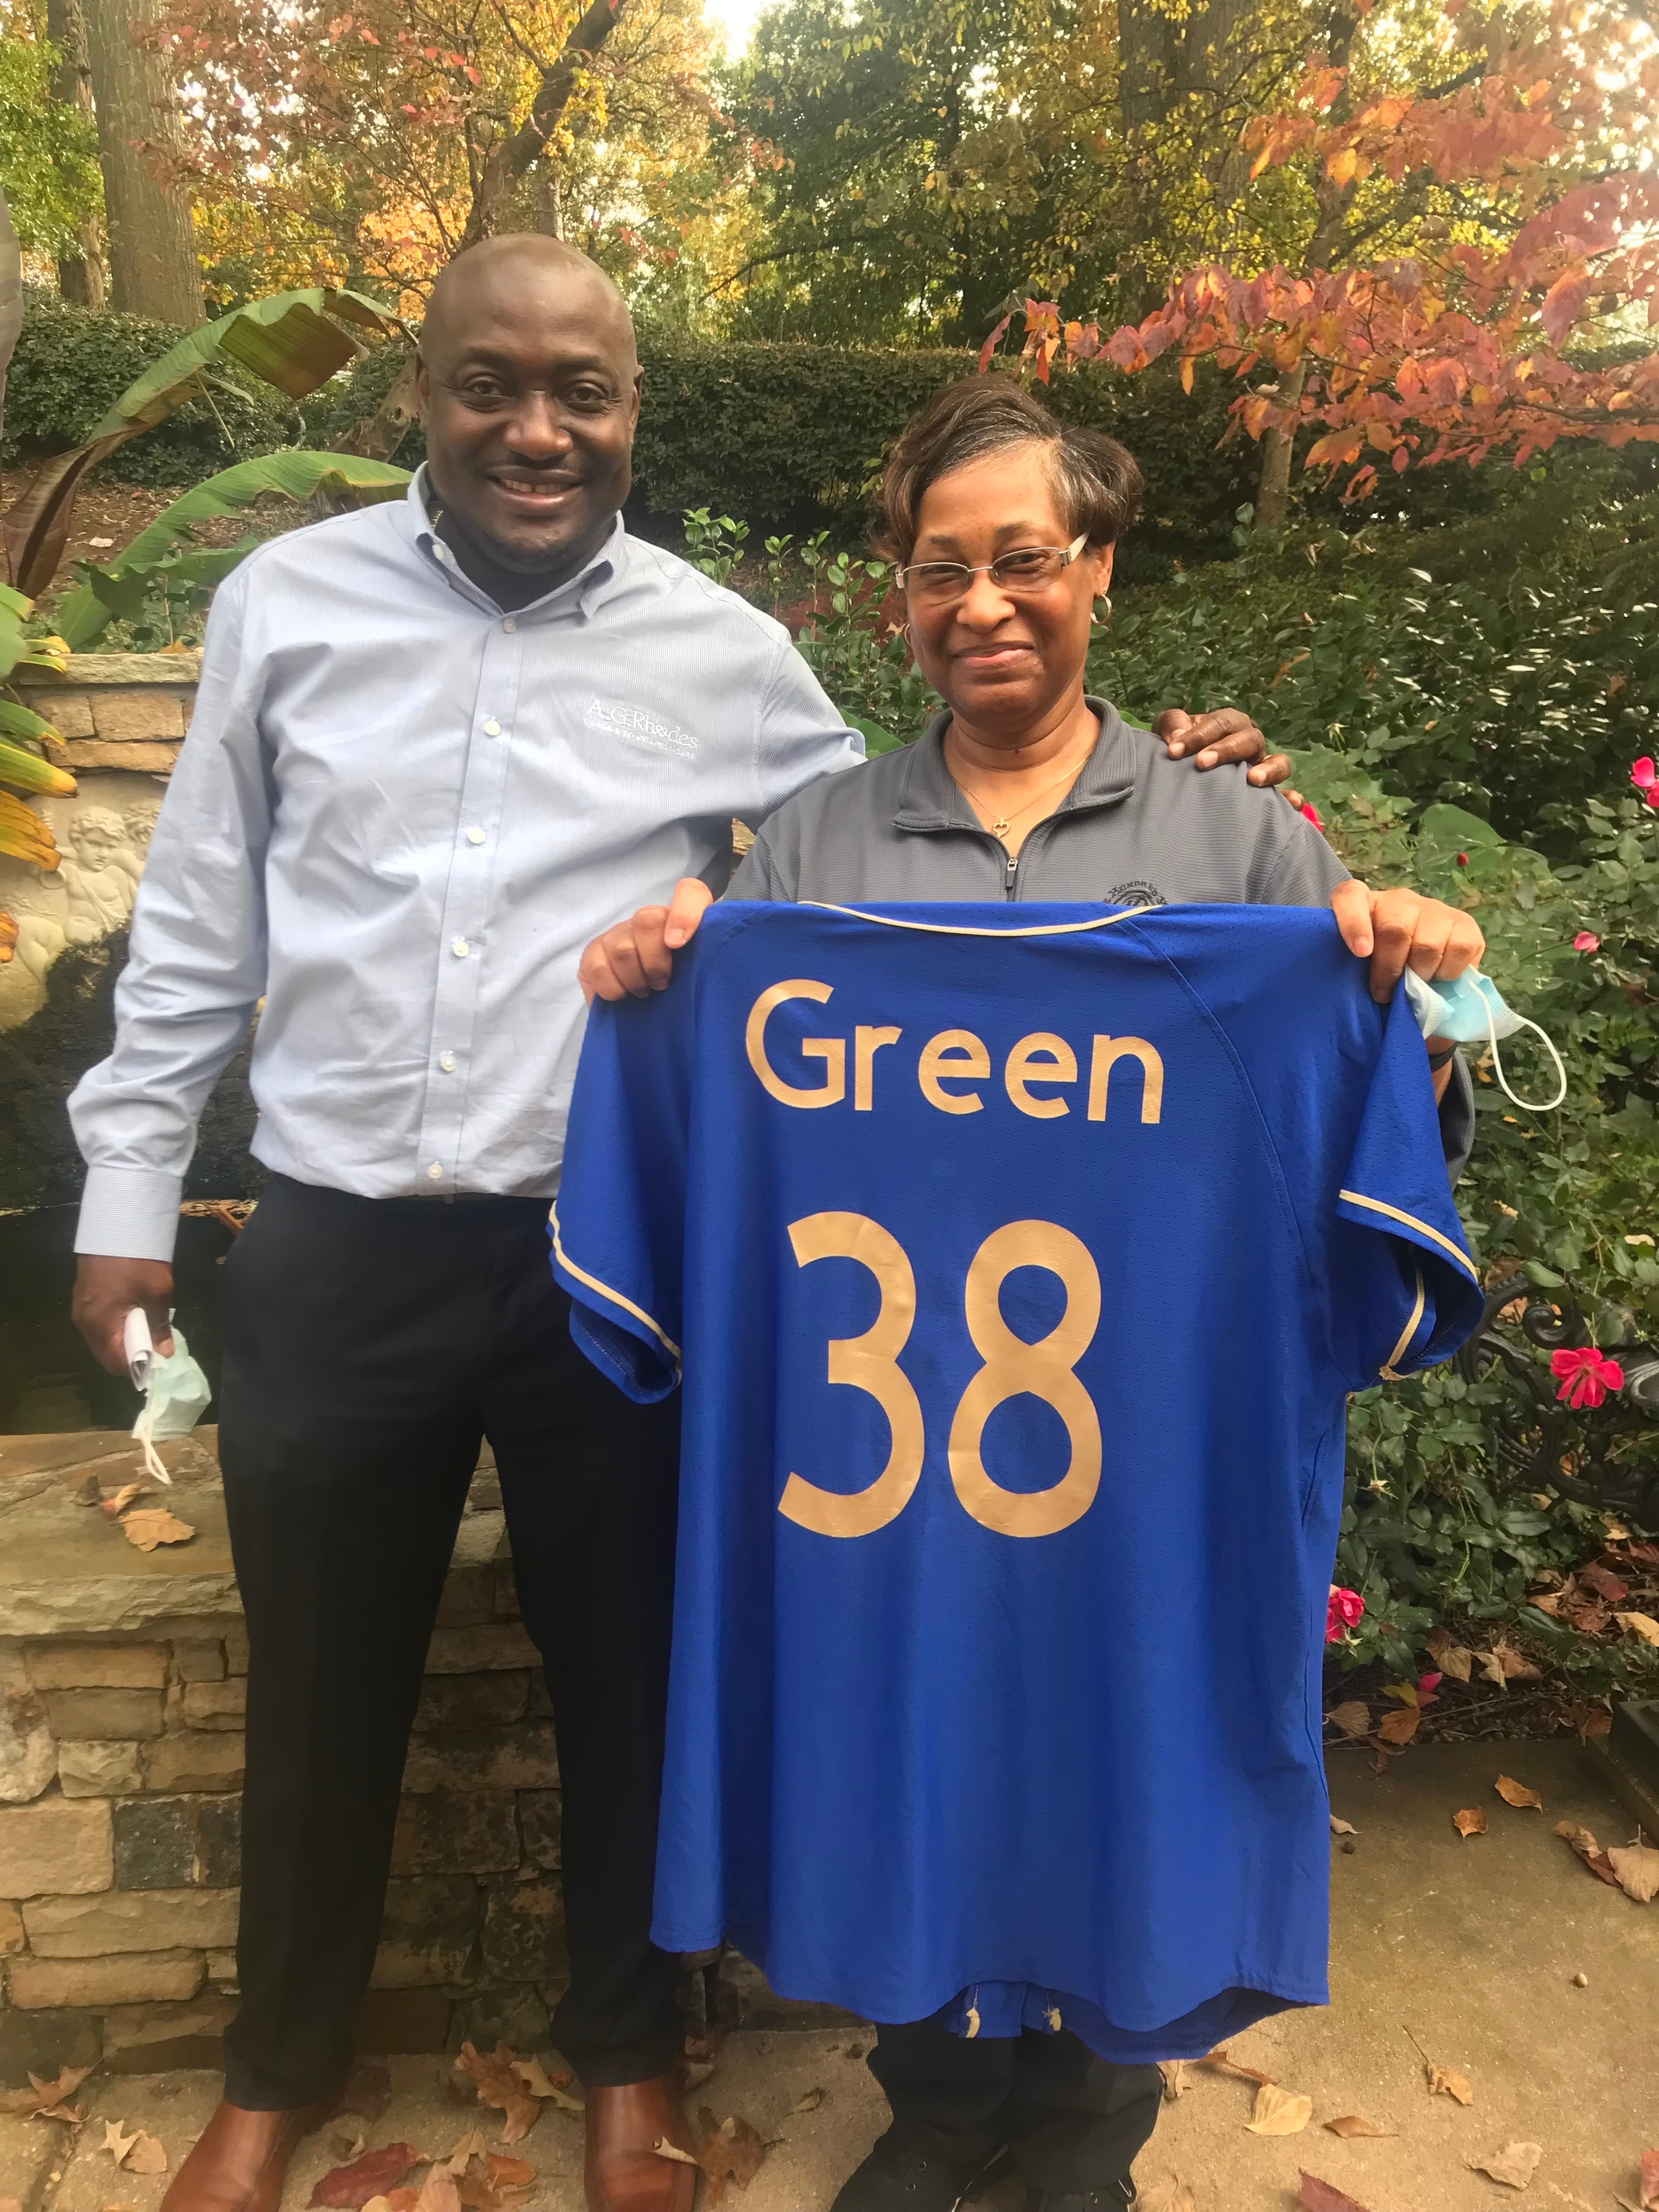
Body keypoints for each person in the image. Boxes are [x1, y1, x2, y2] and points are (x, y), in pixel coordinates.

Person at [66, 238, 1289, 2212]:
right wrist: (128, 1189)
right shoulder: (280, 608)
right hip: (334, 1242)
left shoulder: (725, 651)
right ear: (422, 394)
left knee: (634, 1683)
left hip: (612, 1260)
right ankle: (274, 2076)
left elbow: (931, 840)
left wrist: (1197, 797)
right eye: (490, 384)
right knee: (315, 1682)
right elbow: (201, 919)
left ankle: (630, 2065)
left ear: (636, 408)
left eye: (585, 390)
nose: (537, 429)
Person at [579, 376, 1482, 2212]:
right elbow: (710, 1121)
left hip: (1155, 1473)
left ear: (1100, 569)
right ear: (899, 598)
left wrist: (1421, 997)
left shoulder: (1243, 845)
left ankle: (1086, 2139)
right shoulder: (812, 852)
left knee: (1127, 1764)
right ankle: (938, 2114)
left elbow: (1361, 1131)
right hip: (874, 1485)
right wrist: (654, 981)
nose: (981, 602)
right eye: (940, 569)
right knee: (896, 1764)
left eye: (1024, 559)